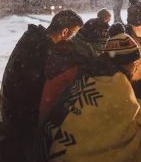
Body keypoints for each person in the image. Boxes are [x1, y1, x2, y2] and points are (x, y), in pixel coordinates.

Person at [36, 23, 141, 162]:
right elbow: (126, 121)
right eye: (135, 63)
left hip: (50, 144)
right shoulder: (116, 82)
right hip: (71, 154)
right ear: (125, 63)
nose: (136, 69)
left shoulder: (90, 72)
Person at [0, 10, 83, 162]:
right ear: (65, 32)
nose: (73, 43)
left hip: (13, 114)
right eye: (74, 36)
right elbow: (42, 94)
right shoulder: (39, 51)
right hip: (19, 124)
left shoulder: (35, 39)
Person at [39, 18, 110, 123]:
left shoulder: (65, 53)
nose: (103, 53)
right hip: (58, 127)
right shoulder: (78, 69)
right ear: (92, 48)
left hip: (48, 123)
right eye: (101, 51)